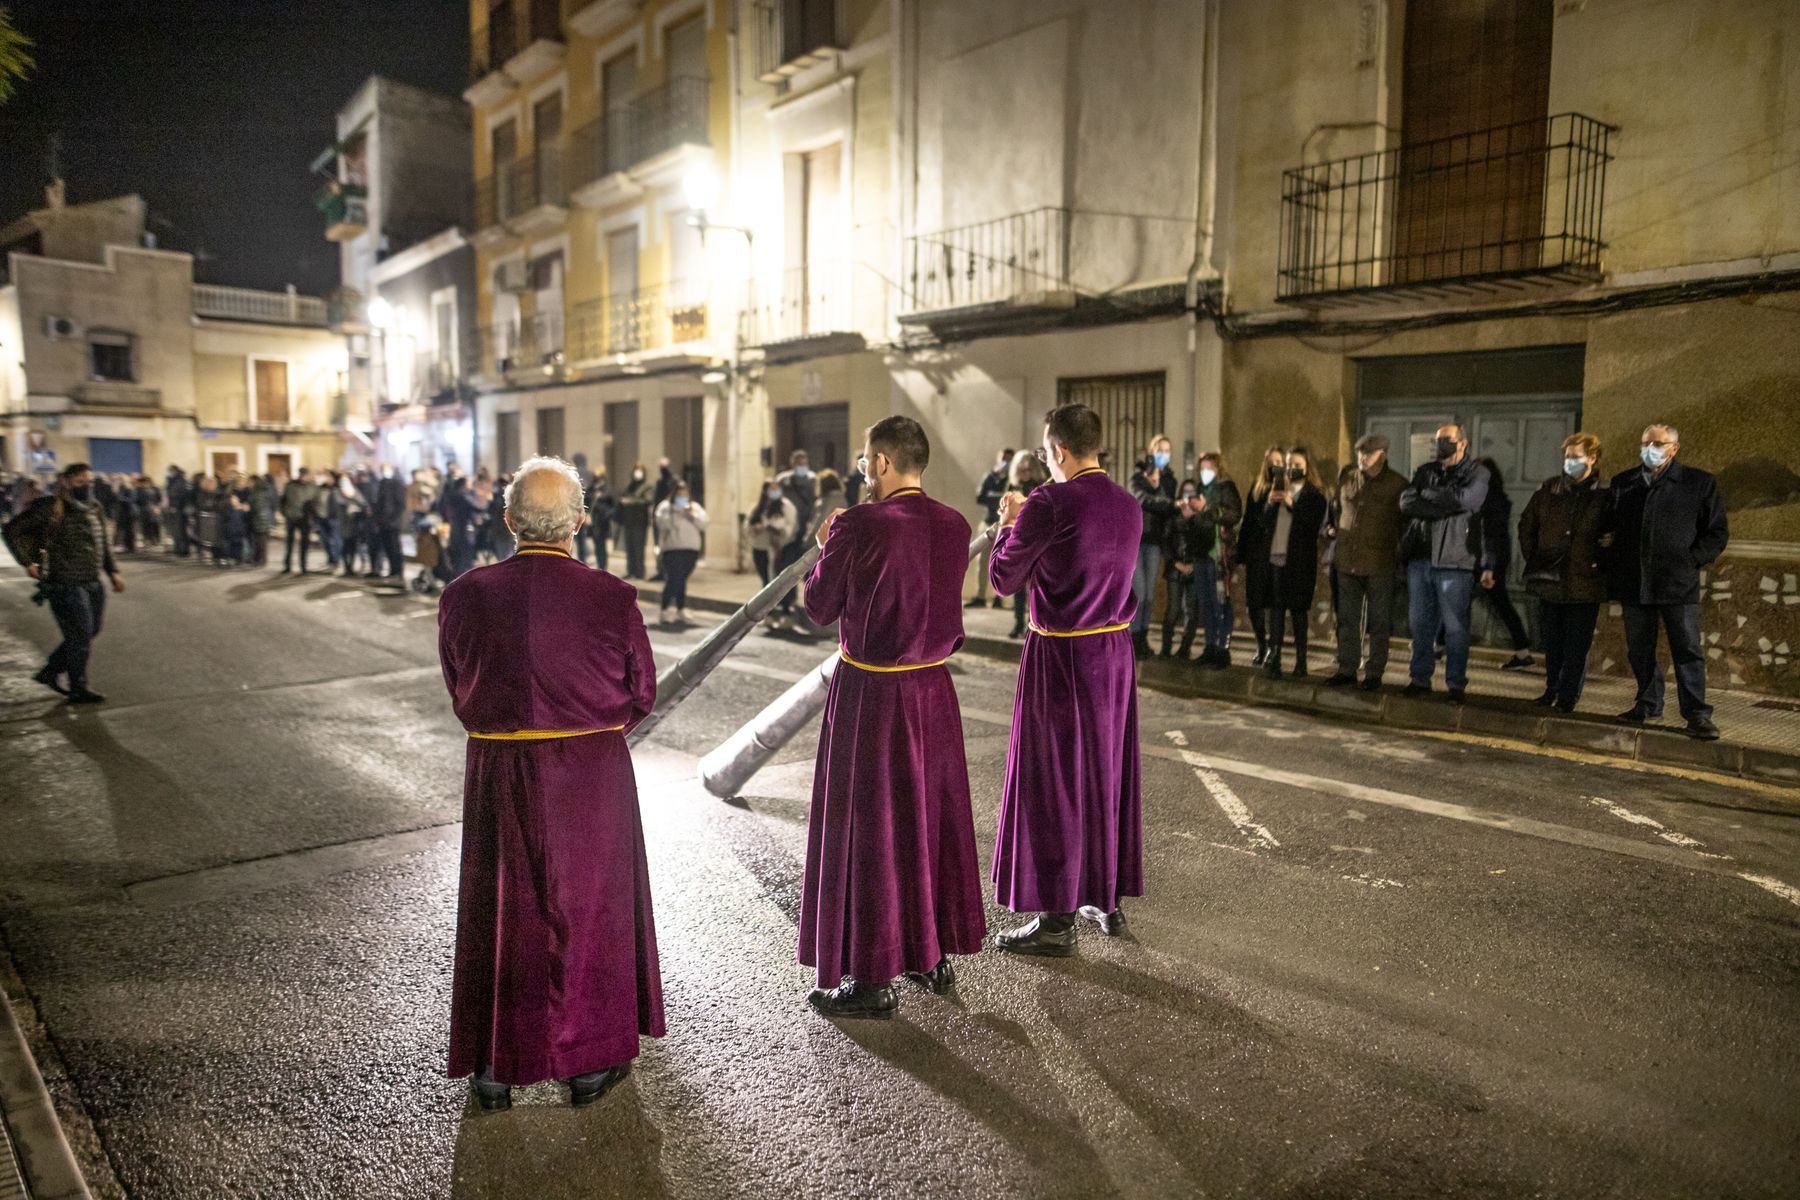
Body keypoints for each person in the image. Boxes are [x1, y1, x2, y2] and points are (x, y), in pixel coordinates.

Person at [437, 456, 663, 1112]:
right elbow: (641, 692)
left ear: (508, 521)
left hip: (499, 767)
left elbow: (458, 681)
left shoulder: (464, 594)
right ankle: (588, 1061)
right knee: (590, 909)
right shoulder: (612, 596)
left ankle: (497, 1064)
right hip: (590, 770)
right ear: (580, 523)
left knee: (504, 909)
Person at [797, 416, 987, 1019]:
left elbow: (819, 608)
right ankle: (930, 953)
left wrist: (827, 549)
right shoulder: (955, 524)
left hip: (873, 693)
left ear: (880, 462)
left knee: (872, 830)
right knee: (925, 824)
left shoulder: (858, 523)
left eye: (864, 462)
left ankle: (873, 977)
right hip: (933, 693)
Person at [988, 403, 1143, 955]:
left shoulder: (1047, 501)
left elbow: (1004, 578)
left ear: (1057, 451)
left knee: (1053, 780)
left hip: (1060, 655)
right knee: (1105, 774)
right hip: (1114, 653)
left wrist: (1009, 525)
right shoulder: (1129, 505)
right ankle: (1105, 897)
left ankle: (1056, 920)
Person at [1606, 423, 1729, 740]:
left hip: (1676, 582)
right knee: (1640, 649)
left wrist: (1691, 560)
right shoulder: (1625, 483)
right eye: (1646, 442)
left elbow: (1716, 532)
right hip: (1636, 582)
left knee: (1686, 649)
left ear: (1674, 448)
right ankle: (1647, 704)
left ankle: (1697, 714)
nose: (1650, 448)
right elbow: (1610, 528)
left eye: (1658, 443)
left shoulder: (1699, 483)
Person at [2, 463, 124, 704]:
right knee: (79, 635)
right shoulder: (51, 507)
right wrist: (28, 561)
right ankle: (78, 687)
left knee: (90, 630)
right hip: (64, 583)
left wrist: (113, 572)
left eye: (89, 481)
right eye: (80, 482)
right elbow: (12, 531)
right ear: (67, 481)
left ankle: (50, 672)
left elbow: (103, 544)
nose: (86, 486)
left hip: (91, 581)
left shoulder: (94, 507)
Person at [1399, 424, 1491, 704]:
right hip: (1421, 559)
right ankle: (1419, 679)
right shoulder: (1427, 471)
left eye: (1447, 441)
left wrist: (1429, 497)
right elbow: (1406, 502)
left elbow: (1468, 499)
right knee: (1420, 624)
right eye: (1438, 440)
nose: (1441, 445)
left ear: (1463, 443)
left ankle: (1455, 684)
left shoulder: (1477, 472)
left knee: (1455, 627)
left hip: (1455, 560)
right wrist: (1443, 504)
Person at [1519, 433, 1610, 713]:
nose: (1569, 462)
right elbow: (1526, 525)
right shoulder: (1550, 490)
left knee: (1576, 646)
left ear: (1592, 459)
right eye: (1567, 456)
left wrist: (1599, 563)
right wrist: (1537, 559)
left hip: (1584, 582)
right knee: (1553, 643)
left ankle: (1568, 696)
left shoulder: (1604, 493)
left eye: (1576, 456)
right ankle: (1551, 690)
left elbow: (1612, 536)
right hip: (1551, 580)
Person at [1325, 433, 1406, 690]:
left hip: (1380, 563)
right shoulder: (1348, 479)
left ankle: (1374, 673)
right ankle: (1347, 668)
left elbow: (1405, 525)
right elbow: (1335, 511)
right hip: (1347, 561)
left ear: (1382, 454)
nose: (1362, 458)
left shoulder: (1397, 485)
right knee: (1348, 619)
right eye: (1360, 453)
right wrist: (1330, 529)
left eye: (1368, 453)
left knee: (1379, 621)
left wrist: (1398, 554)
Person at [1253, 448, 1327, 678]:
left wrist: (1291, 503)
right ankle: (1274, 658)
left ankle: (1301, 661)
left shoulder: (1314, 495)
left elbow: (1312, 524)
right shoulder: (1277, 488)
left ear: (1307, 467)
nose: (1291, 469)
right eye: (1288, 464)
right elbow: (1263, 522)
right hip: (1276, 556)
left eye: (1297, 465)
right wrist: (1269, 502)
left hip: (1299, 561)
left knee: (1297, 610)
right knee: (1276, 609)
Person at [1472, 458, 1534, 671]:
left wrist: (1488, 566)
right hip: (1489, 560)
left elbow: (1490, 536)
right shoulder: (1494, 498)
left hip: (1487, 561)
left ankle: (1523, 650)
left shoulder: (1489, 501)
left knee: (1495, 603)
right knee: (1466, 601)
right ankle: (1523, 650)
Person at [1236, 446, 1289, 665]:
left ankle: (1274, 650)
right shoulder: (1257, 490)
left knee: (1275, 604)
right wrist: (1241, 553)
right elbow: (1250, 521)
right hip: (1257, 553)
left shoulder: (1288, 490)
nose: (1275, 466)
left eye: (1279, 462)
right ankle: (1262, 644)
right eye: (1272, 462)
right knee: (1255, 603)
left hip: (1277, 553)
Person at [1189, 453, 1242, 668]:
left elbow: (1233, 514)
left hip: (1219, 556)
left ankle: (1222, 649)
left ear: (1218, 468)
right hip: (1202, 554)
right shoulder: (1201, 489)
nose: (1205, 472)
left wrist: (1207, 510)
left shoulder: (1226, 488)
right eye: (1202, 468)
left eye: (1209, 467)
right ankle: (1210, 646)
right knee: (1206, 603)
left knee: (1221, 602)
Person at [1128, 434, 1178, 658]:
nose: (1163, 455)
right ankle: (1132, 637)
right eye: (1159, 450)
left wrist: (1159, 488)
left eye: (1167, 451)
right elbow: (1140, 499)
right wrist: (1155, 490)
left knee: (1149, 594)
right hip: (1136, 541)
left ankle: (1143, 638)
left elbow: (1167, 508)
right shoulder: (1137, 477)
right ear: (1151, 452)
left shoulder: (1170, 480)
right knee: (1138, 591)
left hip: (1155, 542)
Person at [1001, 449, 1048, 639]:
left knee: (1035, 585)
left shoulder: (1040, 487)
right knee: (1018, 586)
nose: (1025, 470)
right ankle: (1018, 622)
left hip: (1036, 541)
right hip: (1018, 539)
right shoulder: (1013, 486)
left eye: (1028, 466)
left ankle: (1032, 622)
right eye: (1022, 467)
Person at [772, 450, 818, 631]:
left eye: (804, 462)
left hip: (808, 535)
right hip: (790, 534)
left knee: (811, 574)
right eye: (798, 462)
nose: (801, 466)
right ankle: (788, 609)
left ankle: (812, 610)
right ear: (792, 463)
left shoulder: (814, 480)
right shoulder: (784, 480)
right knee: (789, 572)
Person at [1161, 480, 1205, 658]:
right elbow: (1165, 541)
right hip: (1175, 569)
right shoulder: (1173, 516)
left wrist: (1193, 564)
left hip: (1194, 568)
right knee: (1173, 608)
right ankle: (1165, 648)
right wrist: (1175, 563)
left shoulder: (1200, 517)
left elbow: (1204, 542)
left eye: (1192, 492)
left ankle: (1185, 648)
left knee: (1191, 610)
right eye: (1185, 492)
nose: (1188, 495)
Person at [651, 481, 706, 624]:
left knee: (682, 579)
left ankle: (680, 609)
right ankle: (664, 608)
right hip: (672, 549)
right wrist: (677, 515)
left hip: (691, 548)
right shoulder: (665, 507)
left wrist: (691, 516)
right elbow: (662, 524)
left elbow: (704, 523)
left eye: (685, 493)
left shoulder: (694, 507)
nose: (683, 496)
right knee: (674, 578)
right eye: (680, 493)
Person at [969, 448, 1013, 608]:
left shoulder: (1011, 478)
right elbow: (980, 497)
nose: (1005, 463)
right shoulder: (990, 476)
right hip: (988, 522)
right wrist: (997, 498)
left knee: (1001, 561)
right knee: (982, 560)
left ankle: (998, 598)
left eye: (1009, 459)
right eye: (1003, 459)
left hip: (1005, 525)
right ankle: (980, 596)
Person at [746, 479, 797, 586]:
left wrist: (775, 526)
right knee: (765, 578)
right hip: (759, 547)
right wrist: (756, 527)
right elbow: (748, 526)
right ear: (765, 491)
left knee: (778, 579)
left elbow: (790, 525)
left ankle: (783, 602)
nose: (775, 491)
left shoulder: (786, 506)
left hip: (778, 547)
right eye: (772, 489)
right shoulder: (757, 507)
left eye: (777, 488)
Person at [279, 467, 319, 573]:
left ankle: (303, 566)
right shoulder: (290, 485)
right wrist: (285, 513)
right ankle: (287, 566)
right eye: (303, 474)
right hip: (291, 517)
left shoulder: (313, 487)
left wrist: (313, 516)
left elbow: (315, 502)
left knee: (305, 544)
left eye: (306, 474)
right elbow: (282, 501)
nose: (305, 476)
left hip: (305, 519)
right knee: (289, 543)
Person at [617, 464, 653, 580]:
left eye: (640, 471)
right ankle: (630, 571)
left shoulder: (647, 487)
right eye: (636, 470)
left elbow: (648, 500)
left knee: (639, 548)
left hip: (639, 522)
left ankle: (639, 572)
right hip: (628, 521)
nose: (638, 473)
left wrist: (631, 501)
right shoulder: (630, 486)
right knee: (630, 548)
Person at [372, 465, 408, 581]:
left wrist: (393, 519)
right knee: (388, 547)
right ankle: (393, 570)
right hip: (383, 522)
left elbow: (400, 504)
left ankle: (398, 571)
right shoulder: (381, 483)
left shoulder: (396, 484)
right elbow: (379, 503)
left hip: (392, 523)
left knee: (394, 547)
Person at [585, 473, 615, 573]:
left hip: (602, 523)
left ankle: (603, 566)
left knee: (602, 545)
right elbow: (586, 500)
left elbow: (611, 506)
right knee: (597, 545)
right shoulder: (592, 490)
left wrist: (603, 509)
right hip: (593, 522)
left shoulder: (607, 491)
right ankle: (600, 565)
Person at [166, 466, 192, 557]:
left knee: (179, 530)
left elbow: (177, 495)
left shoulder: (178, 482)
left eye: (169, 471)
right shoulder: (179, 480)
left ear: (174, 471)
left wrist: (174, 506)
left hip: (178, 510)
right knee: (180, 530)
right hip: (180, 509)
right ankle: (181, 549)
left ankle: (182, 550)